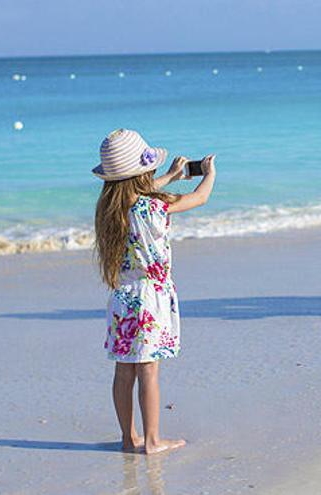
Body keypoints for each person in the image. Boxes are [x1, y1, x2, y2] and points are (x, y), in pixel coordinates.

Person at [92, 128, 216, 454]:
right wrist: (209, 174)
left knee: (124, 370)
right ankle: (152, 441)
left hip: (122, 298)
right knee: (149, 370)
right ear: (144, 171)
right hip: (150, 299)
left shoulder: (108, 209)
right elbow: (201, 197)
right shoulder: (153, 208)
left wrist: (171, 177)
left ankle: (128, 437)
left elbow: (136, 193)